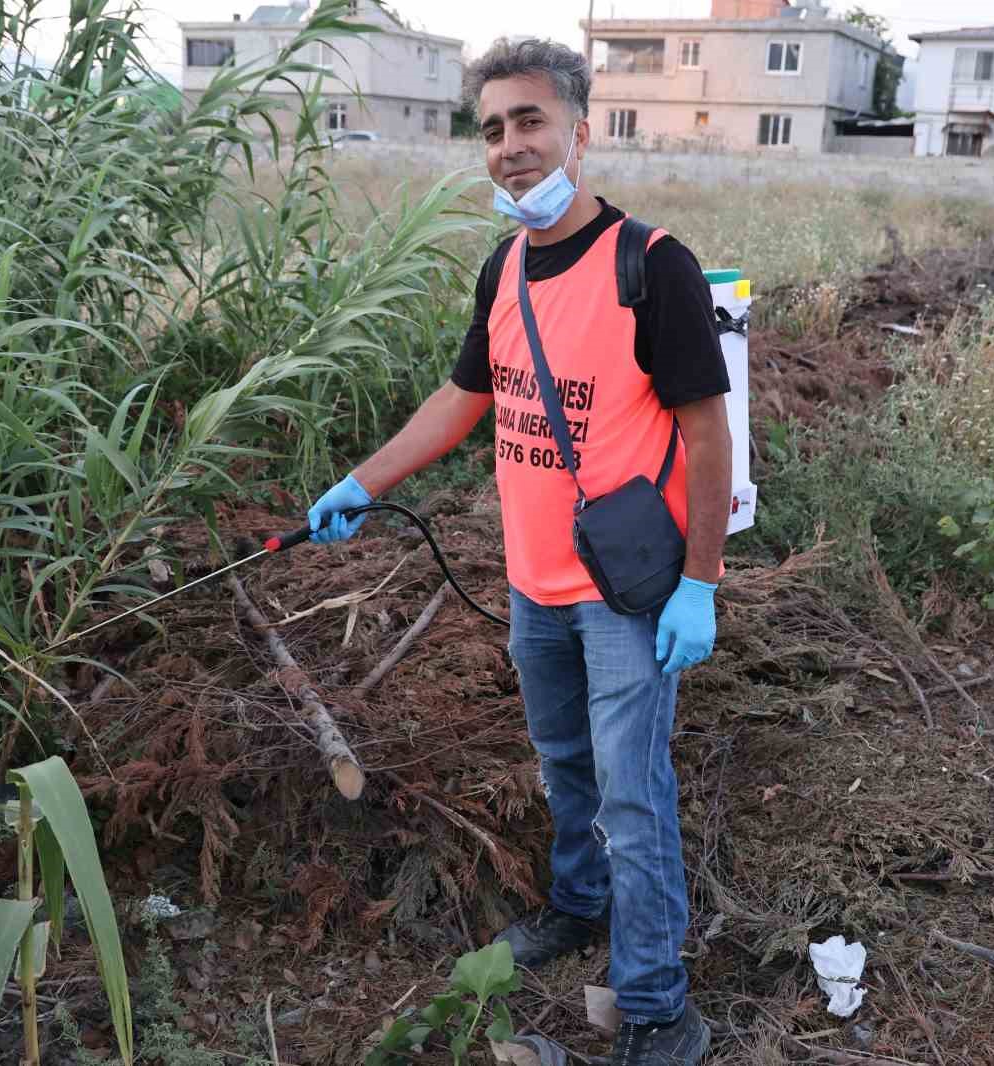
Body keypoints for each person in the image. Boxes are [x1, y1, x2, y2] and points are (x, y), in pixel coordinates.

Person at [306, 37, 730, 1066]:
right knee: (564, 768)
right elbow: (464, 398)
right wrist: (367, 480)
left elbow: (708, 429)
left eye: (530, 120)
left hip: (626, 593)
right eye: (492, 128)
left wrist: (701, 585)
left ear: (580, 130)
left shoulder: (650, 262)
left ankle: (659, 1006)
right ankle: (578, 909)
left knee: (634, 796)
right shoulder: (505, 266)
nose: (509, 146)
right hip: (534, 586)